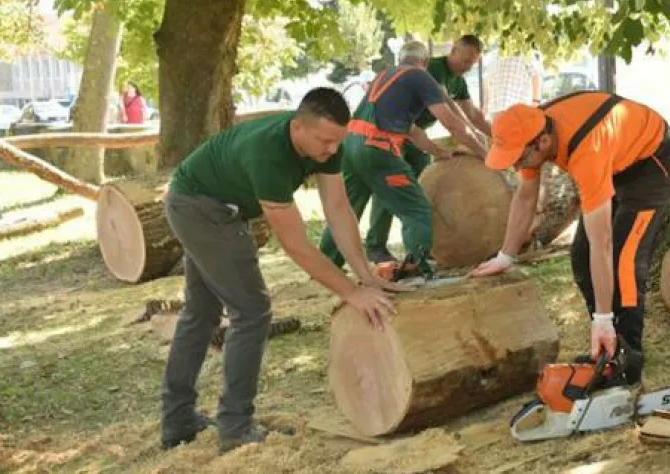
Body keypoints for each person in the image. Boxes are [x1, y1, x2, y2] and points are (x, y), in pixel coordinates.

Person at [160, 88, 404, 453]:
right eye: (325, 141)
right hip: (199, 207)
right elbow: (296, 246)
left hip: (204, 201)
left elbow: (338, 209)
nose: (332, 150)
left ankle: (178, 422)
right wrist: (352, 293)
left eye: (337, 141)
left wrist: (365, 275)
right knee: (251, 311)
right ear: (298, 127)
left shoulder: (325, 145)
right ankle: (235, 426)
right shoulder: (268, 154)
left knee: (201, 312)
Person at [470, 92, 670, 385]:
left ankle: (628, 358)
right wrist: (505, 256)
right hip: (615, 160)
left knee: (624, 262)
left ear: (543, 142)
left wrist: (603, 318)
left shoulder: (586, 150)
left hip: (653, 164)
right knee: (581, 257)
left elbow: (602, 243)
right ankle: (606, 344)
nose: (517, 167)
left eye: (519, 159)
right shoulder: (531, 128)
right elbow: (526, 196)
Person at [319, 40, 488, 278]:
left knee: (345, 208)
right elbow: (452, 123)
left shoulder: (386, 76)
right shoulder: (420, 76)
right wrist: (484, 153)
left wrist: (437, 151)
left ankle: (326, 262)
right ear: (424, 62)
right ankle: (416, 263)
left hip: (351, 144)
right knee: (416, 208)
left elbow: (411, 130)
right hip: (377, 148)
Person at [363, 35, 488, 264]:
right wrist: (476, 143)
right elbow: (450, 111)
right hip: (396, 132)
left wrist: (495, 136)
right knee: (390, 186)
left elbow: (471, 113)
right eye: (465, 60)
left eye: (472, 63)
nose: (467, 67)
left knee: (421, 189)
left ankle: (423, 245)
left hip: (418, 135)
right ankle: (376, 246)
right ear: (454, 50)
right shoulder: (432, 68)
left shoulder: (459, 81)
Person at [482, 52, 543, 119]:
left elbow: (536, 75)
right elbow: (487, 80)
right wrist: (485, 105)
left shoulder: (526, 52)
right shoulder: (494, 55)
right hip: (496, 108)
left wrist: (535, 101)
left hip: (516, 107)